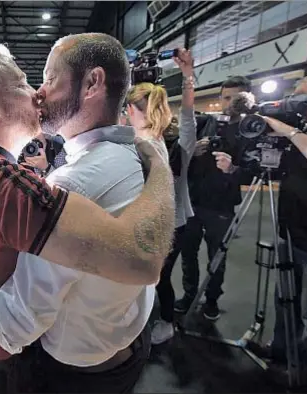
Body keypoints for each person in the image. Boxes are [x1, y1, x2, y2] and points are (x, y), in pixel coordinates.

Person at [0, 38, 175, 394]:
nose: (38, 93)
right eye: (25, 83)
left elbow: (16, 318)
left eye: (48, 78)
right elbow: (143, 260)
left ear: (92, 84)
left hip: (21, 364)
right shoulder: (20, 181)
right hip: (5, 366)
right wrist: (160, 164)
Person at [243, 69, 307, 378]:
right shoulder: (303, 128)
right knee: (285, 302)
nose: (303, 109)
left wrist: (292, 134)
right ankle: (280, 353)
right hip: (290, 232)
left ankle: (306, 373)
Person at [125, 49, 196, 344]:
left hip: (170, 224)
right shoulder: (133, 140)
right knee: (142, 279)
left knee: (157, 278)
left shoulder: (169, 144)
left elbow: (189, 116)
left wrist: (189, 77)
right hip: (145, 223)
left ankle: (166, 321)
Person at [176, 75, 252, 320]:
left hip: (222, 206)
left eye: (236, 98)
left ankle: (211, 299)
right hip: (193, 202)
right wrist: (192, 151)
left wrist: (232, 169)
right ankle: (189, 295)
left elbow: (253, 174)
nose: (229, 103)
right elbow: (179, 153)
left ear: (247, 99)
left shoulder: (251, 130)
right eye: (226, 97)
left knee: (217, 257)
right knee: (188, 254)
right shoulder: (205, 122)